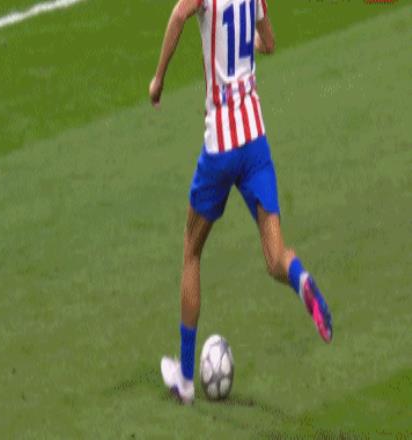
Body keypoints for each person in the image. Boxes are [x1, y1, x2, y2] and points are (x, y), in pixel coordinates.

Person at [149, 0, 332, 405]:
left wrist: (158, 79)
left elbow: (178, 15)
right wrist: (240, 45)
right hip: (255, 142)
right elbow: (269, 43)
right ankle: (299, 277)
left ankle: (184, 378)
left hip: (220, 146)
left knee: (191, 251)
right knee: (275, 256)